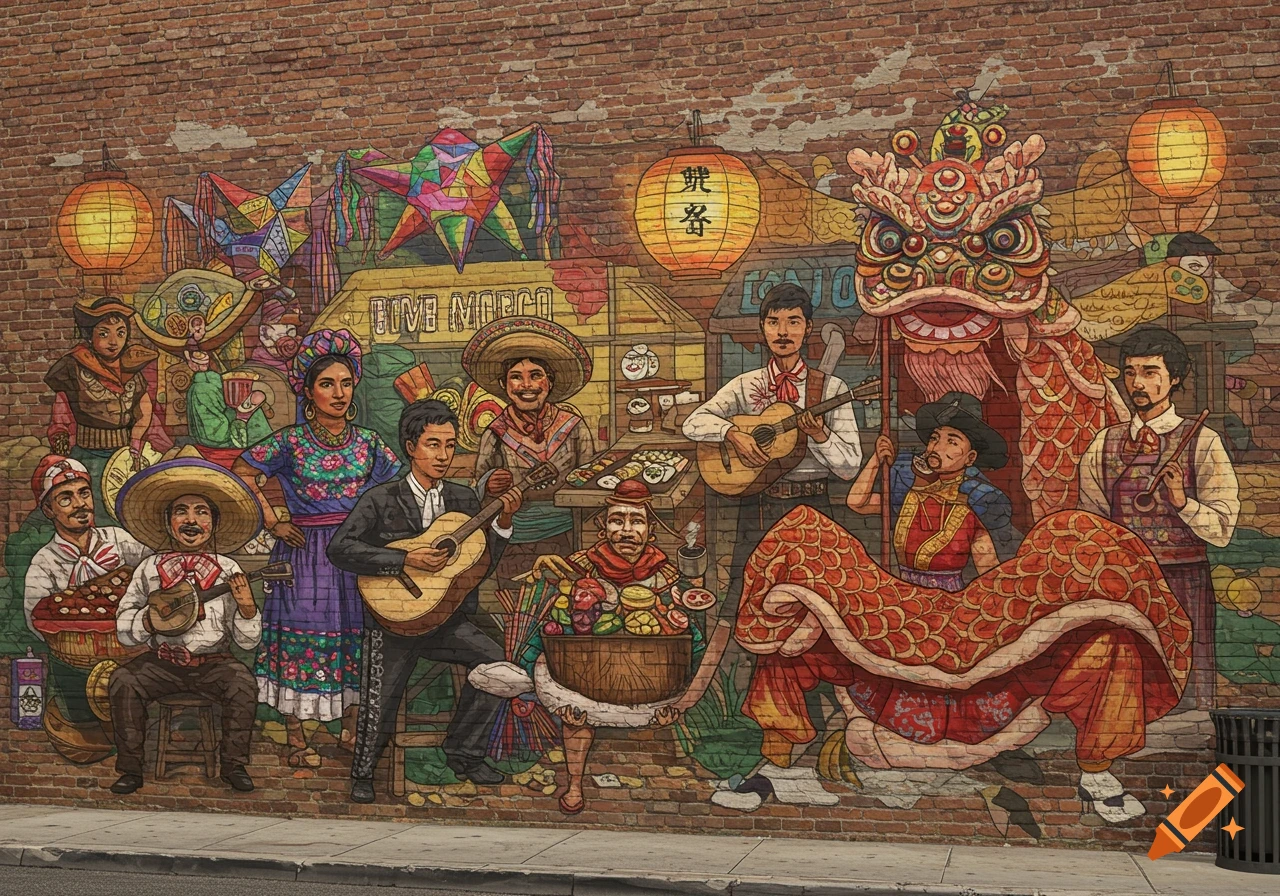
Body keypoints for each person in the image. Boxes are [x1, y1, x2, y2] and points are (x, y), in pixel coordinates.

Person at [328, 399, 523, 804]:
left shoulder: (464, 499)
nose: (443, 455)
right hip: (392, 618)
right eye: (433, 444)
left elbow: (477, 566)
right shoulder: (380, 499)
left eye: (450, 446)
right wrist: (404, 558)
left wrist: (502, 524)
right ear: (410, 446)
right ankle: (364, 771)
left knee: (497, 666)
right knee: (381, 693)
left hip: (447, 620)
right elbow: (340, 549)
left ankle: (464, 752)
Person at [232, 329, 402, 768]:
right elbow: (242, 471)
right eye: (327, 384)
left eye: (346, 383)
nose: (339, 393)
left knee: (354, 637)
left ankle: (349, 730)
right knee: (300, 638)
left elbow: (397, 488)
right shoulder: (290, 442)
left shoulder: (368, 443)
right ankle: (296, 739)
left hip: (354, 557)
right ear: (308, 390)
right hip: (304, 556)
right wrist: (274, 519)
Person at [1078, 327, 1239, 710]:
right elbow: (1092, 519)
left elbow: (1222, 529)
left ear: (1175, 377)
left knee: (1185, 679)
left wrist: (1182, 503)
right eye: (1130, 372)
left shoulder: (1203, 441)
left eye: (1150, 372)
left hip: (1182, 581)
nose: (1138, 383)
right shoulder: (1104, 443)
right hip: (1124, 583)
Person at [682, 283, 863, 602]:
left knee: (816, 595)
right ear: (762, 327)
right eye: (773, 321)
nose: (783, 331)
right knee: (747, 592)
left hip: (812, 509)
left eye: (793, 321)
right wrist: (731, 434)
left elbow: (849, 468)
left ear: (808, 328)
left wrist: (820, 435)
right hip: (759, 507)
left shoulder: (832, 389)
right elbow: (693, 422)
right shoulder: (745, 384)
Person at [528, 480, 689, 814]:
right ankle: (574, 785)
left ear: (651, 530)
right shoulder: (579, 566)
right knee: (575, 711)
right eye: (617, 520)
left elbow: (692, 640)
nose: (626, 530)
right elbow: (542, 630)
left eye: (637, 521)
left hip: (648, 680)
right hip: (587, 675)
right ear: (603, 528)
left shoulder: (667, 574)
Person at [108, 456, 264, 795]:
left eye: (201, 512)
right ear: (168, 522)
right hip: (161, 663)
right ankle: (131, 769)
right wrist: (149, 621)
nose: (191, 520)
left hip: (213, 664)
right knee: (123, 680)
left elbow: (247, 643)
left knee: (243, 684)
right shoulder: (150, 567)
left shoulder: (228, 569)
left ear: (214, 523)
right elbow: (123, 624)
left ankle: (234, 766)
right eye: (181, 511)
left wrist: (248, 609)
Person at [22, 455, 152, 733]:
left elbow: (157, 571)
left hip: (133, 654)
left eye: (84, 494)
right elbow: (38, 624)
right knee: (87, 725)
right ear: (48, 509)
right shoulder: (43, 562)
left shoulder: (119, 539)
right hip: (74, 664)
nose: (80, 504)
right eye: (66, 498)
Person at [463, 317, 595, 588]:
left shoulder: (574, 428)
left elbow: (593, 482)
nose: (526, 386)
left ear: (549, 382)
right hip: (513, 539)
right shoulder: (495, 433)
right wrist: (489, 483)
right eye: (516, 377)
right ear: (505, 384)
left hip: (569, 535)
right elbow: (475, 487)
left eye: (536, 375)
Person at [845, 392, 1009, 591]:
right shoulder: (909, 494)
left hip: (947, 604)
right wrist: (876, 460)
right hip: (903, 600)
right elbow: (857, 503)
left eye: (952, 441)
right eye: (934, 438)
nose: (936, 447)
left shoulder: (974, 503)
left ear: (970, 457)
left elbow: (989, 577)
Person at [44, 295, 165, 523]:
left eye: (120, 333)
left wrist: (137, 439)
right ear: (90, 336)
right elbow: (62, 408)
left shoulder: (130, 369)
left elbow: (143, 406)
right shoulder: (73, 366)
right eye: (104, 333)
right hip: (89, 456)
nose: (113, 341)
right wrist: (60, 439)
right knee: (94, 514)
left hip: (123, 455)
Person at [184, 350, 272, 450]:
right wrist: (238, 416)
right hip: (214, 436)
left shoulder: (198, 385)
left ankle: (263, 444)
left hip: (206, 432)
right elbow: (218, 414)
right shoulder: (204, 387)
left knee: (251, 411)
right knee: (254, 415)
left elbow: (221, 406)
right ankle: (263, 446)